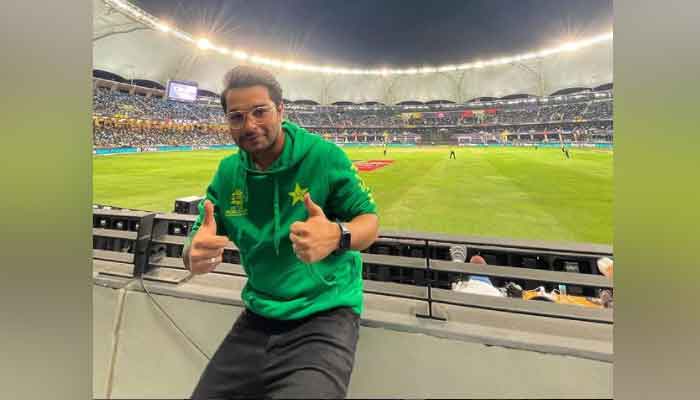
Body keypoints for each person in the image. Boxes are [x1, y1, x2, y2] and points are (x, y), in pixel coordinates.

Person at [184, 65, 379, 398]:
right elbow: (200, 234)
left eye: (260, 112)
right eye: (237, 117)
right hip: (257, 316)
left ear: (280, 110)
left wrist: (337, 235)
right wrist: (193, 254)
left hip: (325, 317)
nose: (250, 125)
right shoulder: (228, 173)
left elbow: (369, 222)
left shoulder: (323, 157)